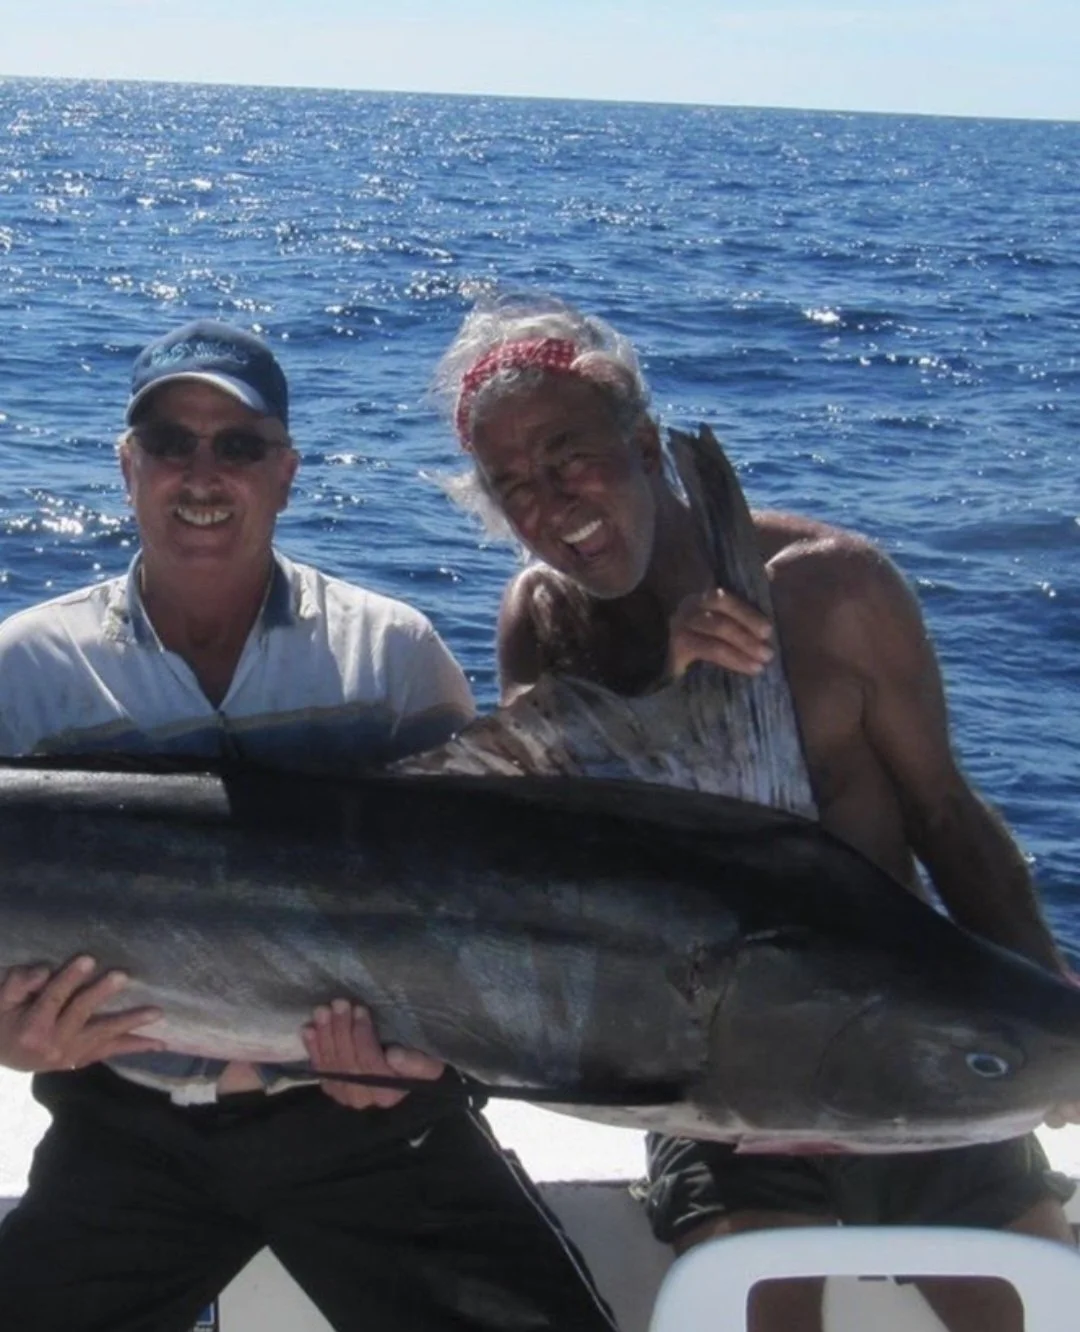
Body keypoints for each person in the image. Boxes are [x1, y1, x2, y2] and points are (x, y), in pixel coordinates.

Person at [433, 295, 1078, 1332]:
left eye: (570, 458)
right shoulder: (545, 621)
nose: (552, 504)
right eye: (514, 487)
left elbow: (948, 819)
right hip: (707, 1066)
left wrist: (1044, 1009)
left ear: (645, 445)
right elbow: (549, 855)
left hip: (897, 1036)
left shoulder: (835, 589)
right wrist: (652, 692)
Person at [0, 319, 619, 1332]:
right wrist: (8, 1039)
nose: (204, 473)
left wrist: (426, 1062)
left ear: (285, 473)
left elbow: (486, 920)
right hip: (131, 1130)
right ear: (128, 466)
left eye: (238, 446)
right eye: (172, 443)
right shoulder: (24, 672)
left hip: (364, 1125)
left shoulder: (390, 660)